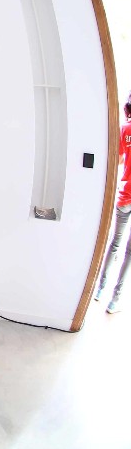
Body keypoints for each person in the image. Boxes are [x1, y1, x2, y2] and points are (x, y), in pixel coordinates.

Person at [95, 96, 131, 314]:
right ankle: (114, 301)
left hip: (125, 195)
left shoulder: (125, 129)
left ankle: (100, 289)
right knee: (129, 252)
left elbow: (117, 160)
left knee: (115, 244)